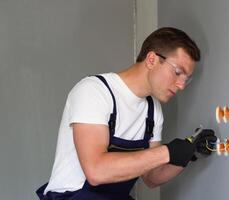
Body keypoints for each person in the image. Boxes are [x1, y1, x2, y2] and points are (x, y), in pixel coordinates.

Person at [36, 27, 217, 200]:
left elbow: (152, 177)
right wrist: (167, 152)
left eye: (187, 78)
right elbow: (96, 171)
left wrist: (188, 154)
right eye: (178, 72)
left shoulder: (153, 111)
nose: (181, 85)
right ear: (152, 59)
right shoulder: (94, 91)